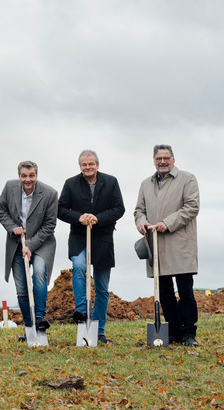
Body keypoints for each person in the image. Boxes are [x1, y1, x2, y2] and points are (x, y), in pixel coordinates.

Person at [134, 144, 201, 347]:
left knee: (185, 292)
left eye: (166, 158)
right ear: (154, 160)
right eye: (158, 158)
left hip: (179, 244)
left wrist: (168, 223)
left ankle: (189, 333)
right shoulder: (146, 184)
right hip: (156, 245)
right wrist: (141, 222)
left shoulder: (187, 179)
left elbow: (192, 207)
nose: (162, 162)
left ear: (173, 159)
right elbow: (139, 210)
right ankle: (172, 332)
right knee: (164, 293)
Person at [57, 150, 124, 344]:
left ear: (97, 165)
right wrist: (79, 217)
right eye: (84, 165)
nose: (88, 167)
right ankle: (82, 312)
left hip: (103, 237)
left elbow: (119, 208)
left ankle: (99, 331)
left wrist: (98, 218)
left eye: (91, 164)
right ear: (80, 167)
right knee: (78, 265)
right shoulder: (71, 183)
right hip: (79, 236)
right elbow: (60, 209)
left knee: (102, 288)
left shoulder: (111, 182)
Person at [0, 160, 58, 339]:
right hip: (16, 242)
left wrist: (30, 246)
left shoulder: (49, 194)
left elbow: (49, 225)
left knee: (39, 272)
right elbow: (1, 210)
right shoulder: (10, 187)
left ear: (36, 176)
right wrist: (12, 227)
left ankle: (40, 317)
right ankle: (30, 329)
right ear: (19, 176)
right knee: (22, 289)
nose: (28, 179)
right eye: (24, 176)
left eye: (31, 176)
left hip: (42, 243)